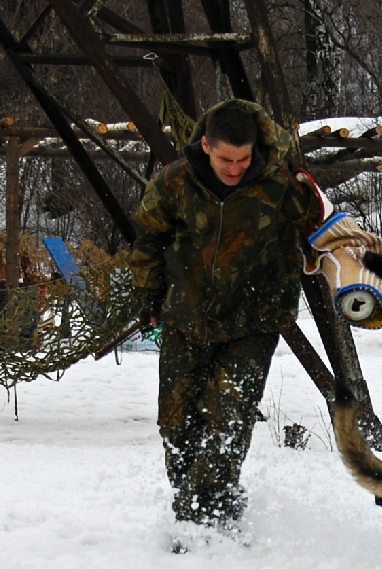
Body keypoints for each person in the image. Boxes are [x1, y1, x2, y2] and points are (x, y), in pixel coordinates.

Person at [129, 99, 323, 532]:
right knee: (177, 425)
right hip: (186, 318)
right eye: (225, 159)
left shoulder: (281, 186)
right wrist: (148, 296)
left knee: (226, 421)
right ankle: (206, 509)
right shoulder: (174, 182)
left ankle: (203, 523)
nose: (234, 169)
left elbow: (323, 231)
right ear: (205, 146)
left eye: (243, 158)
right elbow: (147, 241)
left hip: (253, 321)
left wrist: (337, 258)